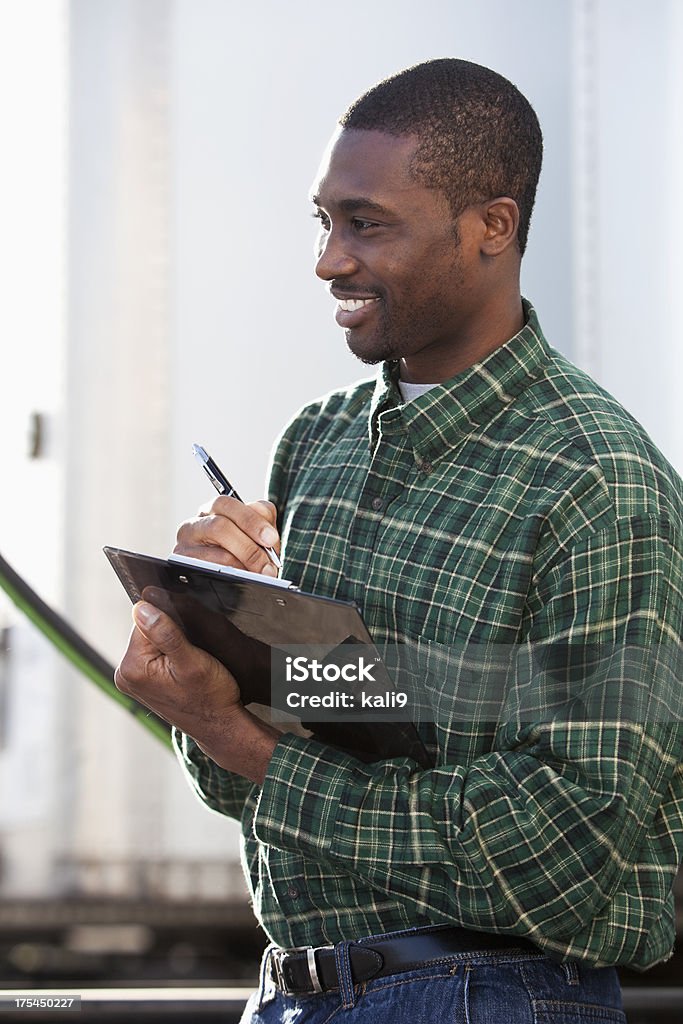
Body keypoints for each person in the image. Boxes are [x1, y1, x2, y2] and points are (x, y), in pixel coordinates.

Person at [115, 59, 683, 1022]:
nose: (328, 259)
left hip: (493, 996)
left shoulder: (596, 480)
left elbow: (562, 848)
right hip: (293, 990)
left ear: (491, 228)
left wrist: (236, 739)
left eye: (365, 223)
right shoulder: (317, 443)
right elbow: (277, 759)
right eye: (323, 221)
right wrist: (209, 648)